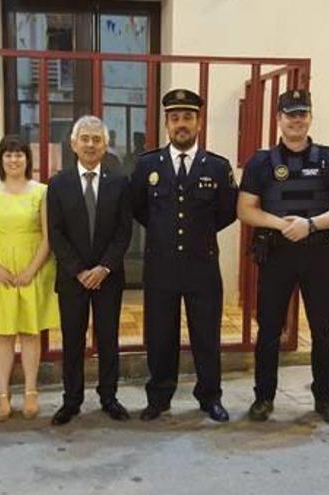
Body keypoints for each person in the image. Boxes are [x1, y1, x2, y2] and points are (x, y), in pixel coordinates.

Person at [236, 89, 329, 424]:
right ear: (278, 119)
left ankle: (324, 399)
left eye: (302, 113)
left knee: (322, 330)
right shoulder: (261, 162)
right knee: (269, 330)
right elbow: (245, 209)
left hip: (318, 256)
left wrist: (311, 225)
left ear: (310, 118)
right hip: (276, 255)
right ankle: (263, 397)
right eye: (290, 114)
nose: (297, 120)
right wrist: (282, 225)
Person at [130, 89, 238, 422]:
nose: (181, 124)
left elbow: (227, 212)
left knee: (207, 336)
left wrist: (197, 236)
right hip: (161, 266)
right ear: (166, 123)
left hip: (202, 264)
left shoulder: (217, 168)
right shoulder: (148, 164)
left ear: (198, 123)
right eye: (175, 118)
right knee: (161, 336)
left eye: (188, 118)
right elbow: (138, 208)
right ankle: (159, 397)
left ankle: (210, 397)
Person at [47, 116, 133, 426]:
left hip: (108, 278)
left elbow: (124, 231)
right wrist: (80, 270)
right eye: (85, 138)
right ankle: (71, 400)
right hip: (73, 279)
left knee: (108, 338)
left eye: (97, 139)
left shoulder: (119, 182)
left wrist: (104, 267)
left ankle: (109, 397)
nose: (91, 144)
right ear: (73, 144)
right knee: (72, 341)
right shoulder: (58, 184)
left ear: (106, 145)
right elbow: (55, 233)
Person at [0, 135, 59, 421]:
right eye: (8, 154)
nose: (13, 159)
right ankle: (2, 394)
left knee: (31, 333)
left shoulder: (41, 192)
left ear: (27, 159)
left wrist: (33, 269)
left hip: (33, 267)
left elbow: (48, 235)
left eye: (19, 154)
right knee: (3, 334)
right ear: (0, 159)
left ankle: (31, 392)